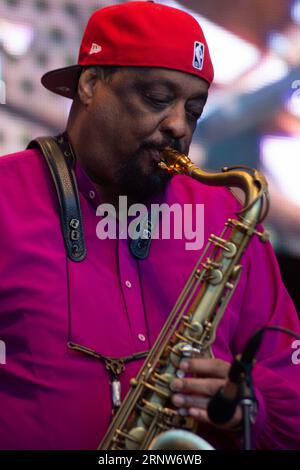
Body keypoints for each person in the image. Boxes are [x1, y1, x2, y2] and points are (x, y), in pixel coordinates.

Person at [0, 1, 299, 450]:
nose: (179, 125)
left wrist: (248, 405)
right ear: (90, 84)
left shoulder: (225, 217)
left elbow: (291, 378)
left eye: (194, 110)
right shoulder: (6, 195)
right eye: (158, 100)